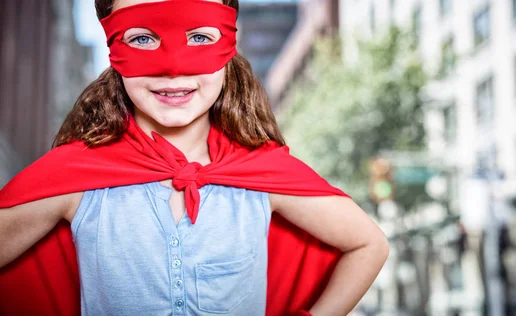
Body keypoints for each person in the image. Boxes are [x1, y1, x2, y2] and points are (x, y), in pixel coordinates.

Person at [0, 0, 389, 315]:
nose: (173, 68)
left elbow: (368, 244)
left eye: (200, 37)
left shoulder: (262, 173)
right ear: (113, 49)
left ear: (229, 46)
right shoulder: (75, 176)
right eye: (143, 40)